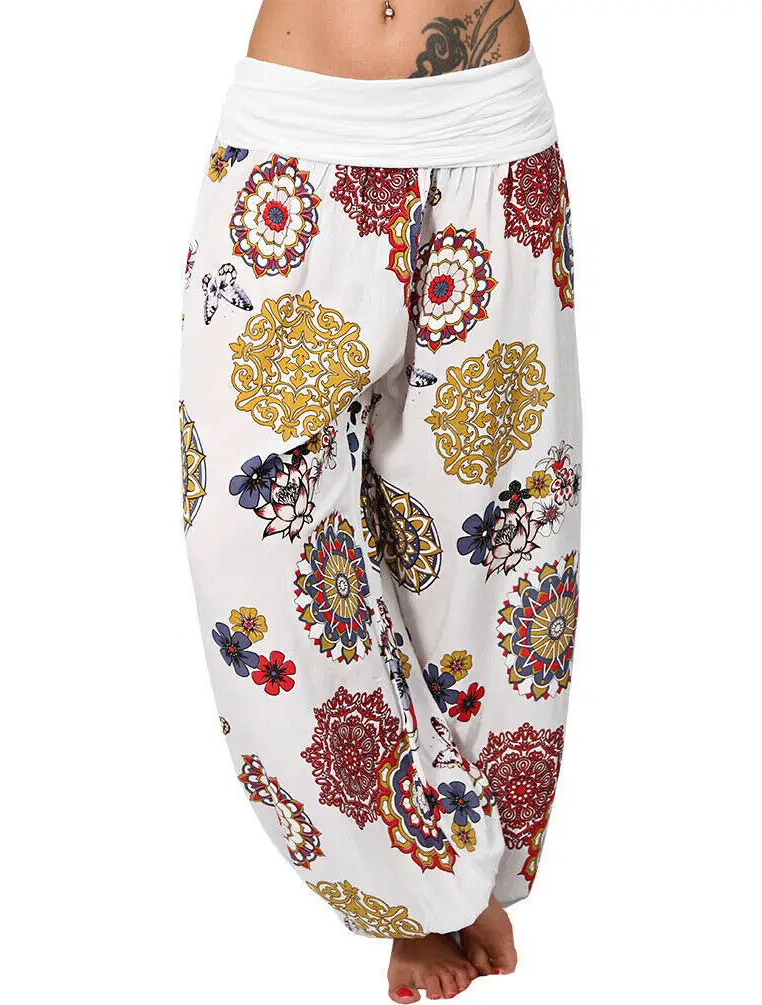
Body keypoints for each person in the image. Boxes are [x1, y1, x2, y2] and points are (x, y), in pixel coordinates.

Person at [179, 2, 581, 1000]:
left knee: (485, 557)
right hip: (292, 140)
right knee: (242, 535)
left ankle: (455, 883)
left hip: (485, 140)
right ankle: (424, 870)